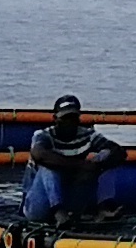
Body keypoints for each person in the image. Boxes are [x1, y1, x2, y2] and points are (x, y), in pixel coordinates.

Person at [23, 96, 124, 226]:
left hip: (71, 200)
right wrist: (81, 165)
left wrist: (97, 166)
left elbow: (119, 151)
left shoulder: (88, 135)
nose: (69, 123)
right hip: (38, 205)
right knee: (48, 165)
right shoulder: (43, 135)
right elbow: (39, 155)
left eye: (73, 118)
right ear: (55, 119)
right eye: (65, 118)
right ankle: (58, 211)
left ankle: (104, 207)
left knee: (106, 155)